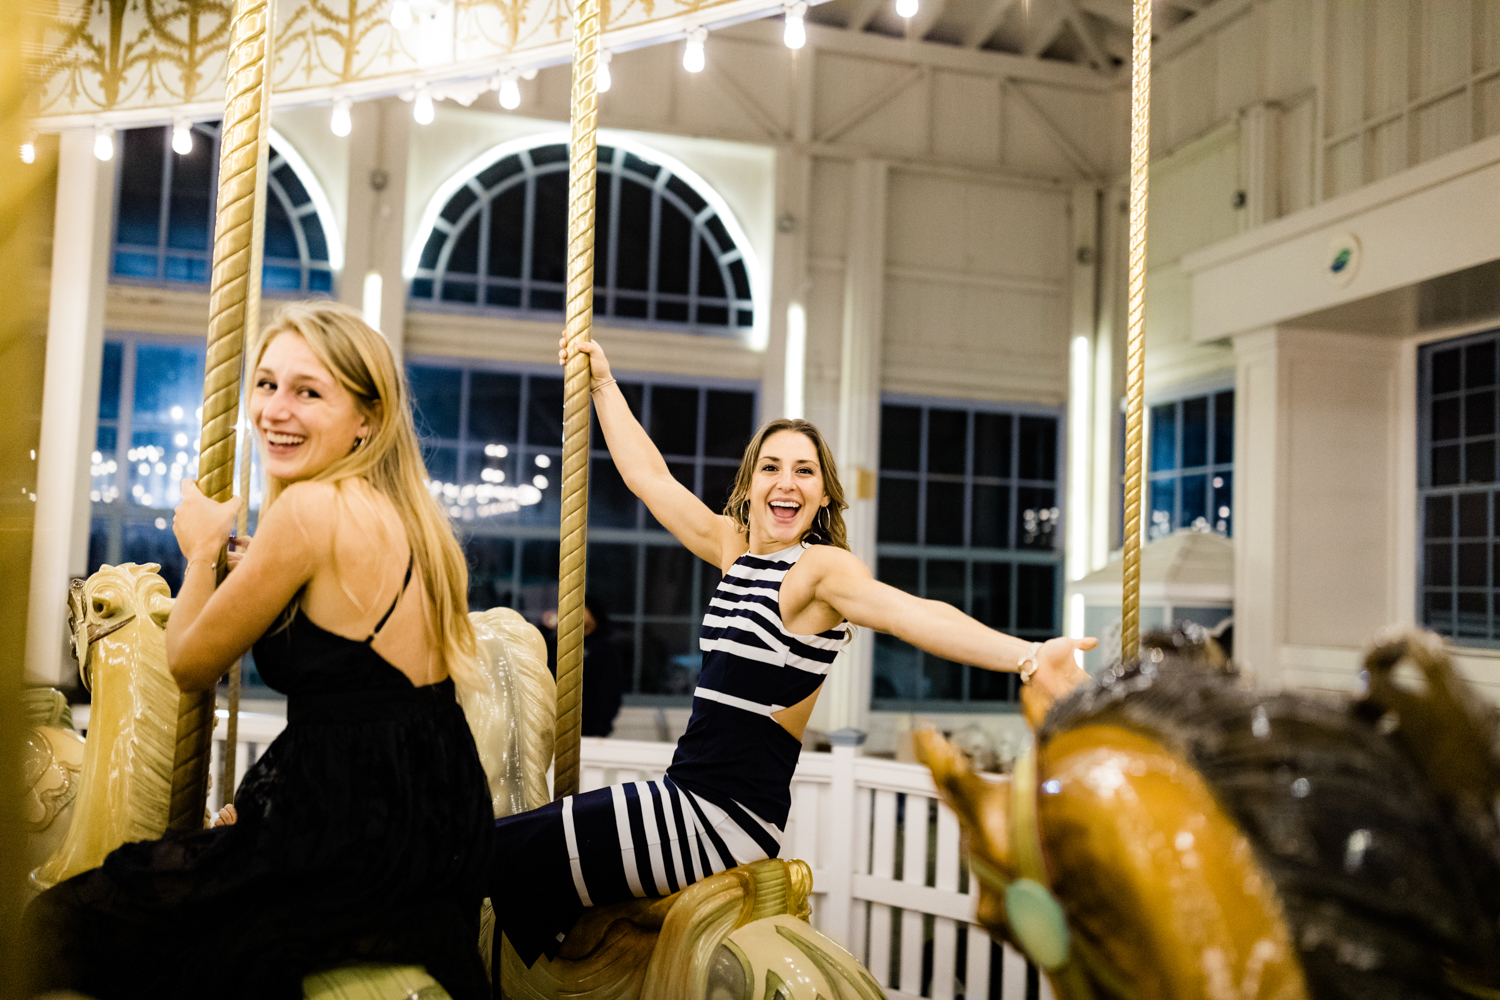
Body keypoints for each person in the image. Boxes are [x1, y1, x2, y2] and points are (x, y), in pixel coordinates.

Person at [489, 336, 1095, 965]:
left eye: (804, 470)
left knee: (487, 852)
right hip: (683, 795)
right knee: (510, 858)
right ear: (749, 485)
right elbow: (649, 478)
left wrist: (1028, 656)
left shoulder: (819, 572)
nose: (786, 482)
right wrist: (604, 385)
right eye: (771, 467)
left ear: (824, 495)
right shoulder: (736, 550)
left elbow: (912, 614)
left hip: (720, 817)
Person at [24, 302, 494, 1000]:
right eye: (267, 384)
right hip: (434, 816)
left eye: (309, 392)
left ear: (367, 417)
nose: (276, 409)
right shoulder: (402, 516)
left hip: (349, 832)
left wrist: (203, 549)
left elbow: (186, 662)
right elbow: (360, 699)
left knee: (60, 920)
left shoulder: (308, 510)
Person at [540, 597, 625, 737]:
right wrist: (545, 628)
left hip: (588, 727)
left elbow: (610, 688)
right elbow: (537, 656)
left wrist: (601, 727)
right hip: (553, 724)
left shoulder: (604, 647)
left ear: (593, 614)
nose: (575, 614)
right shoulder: (561, 642)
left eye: (581, 609)